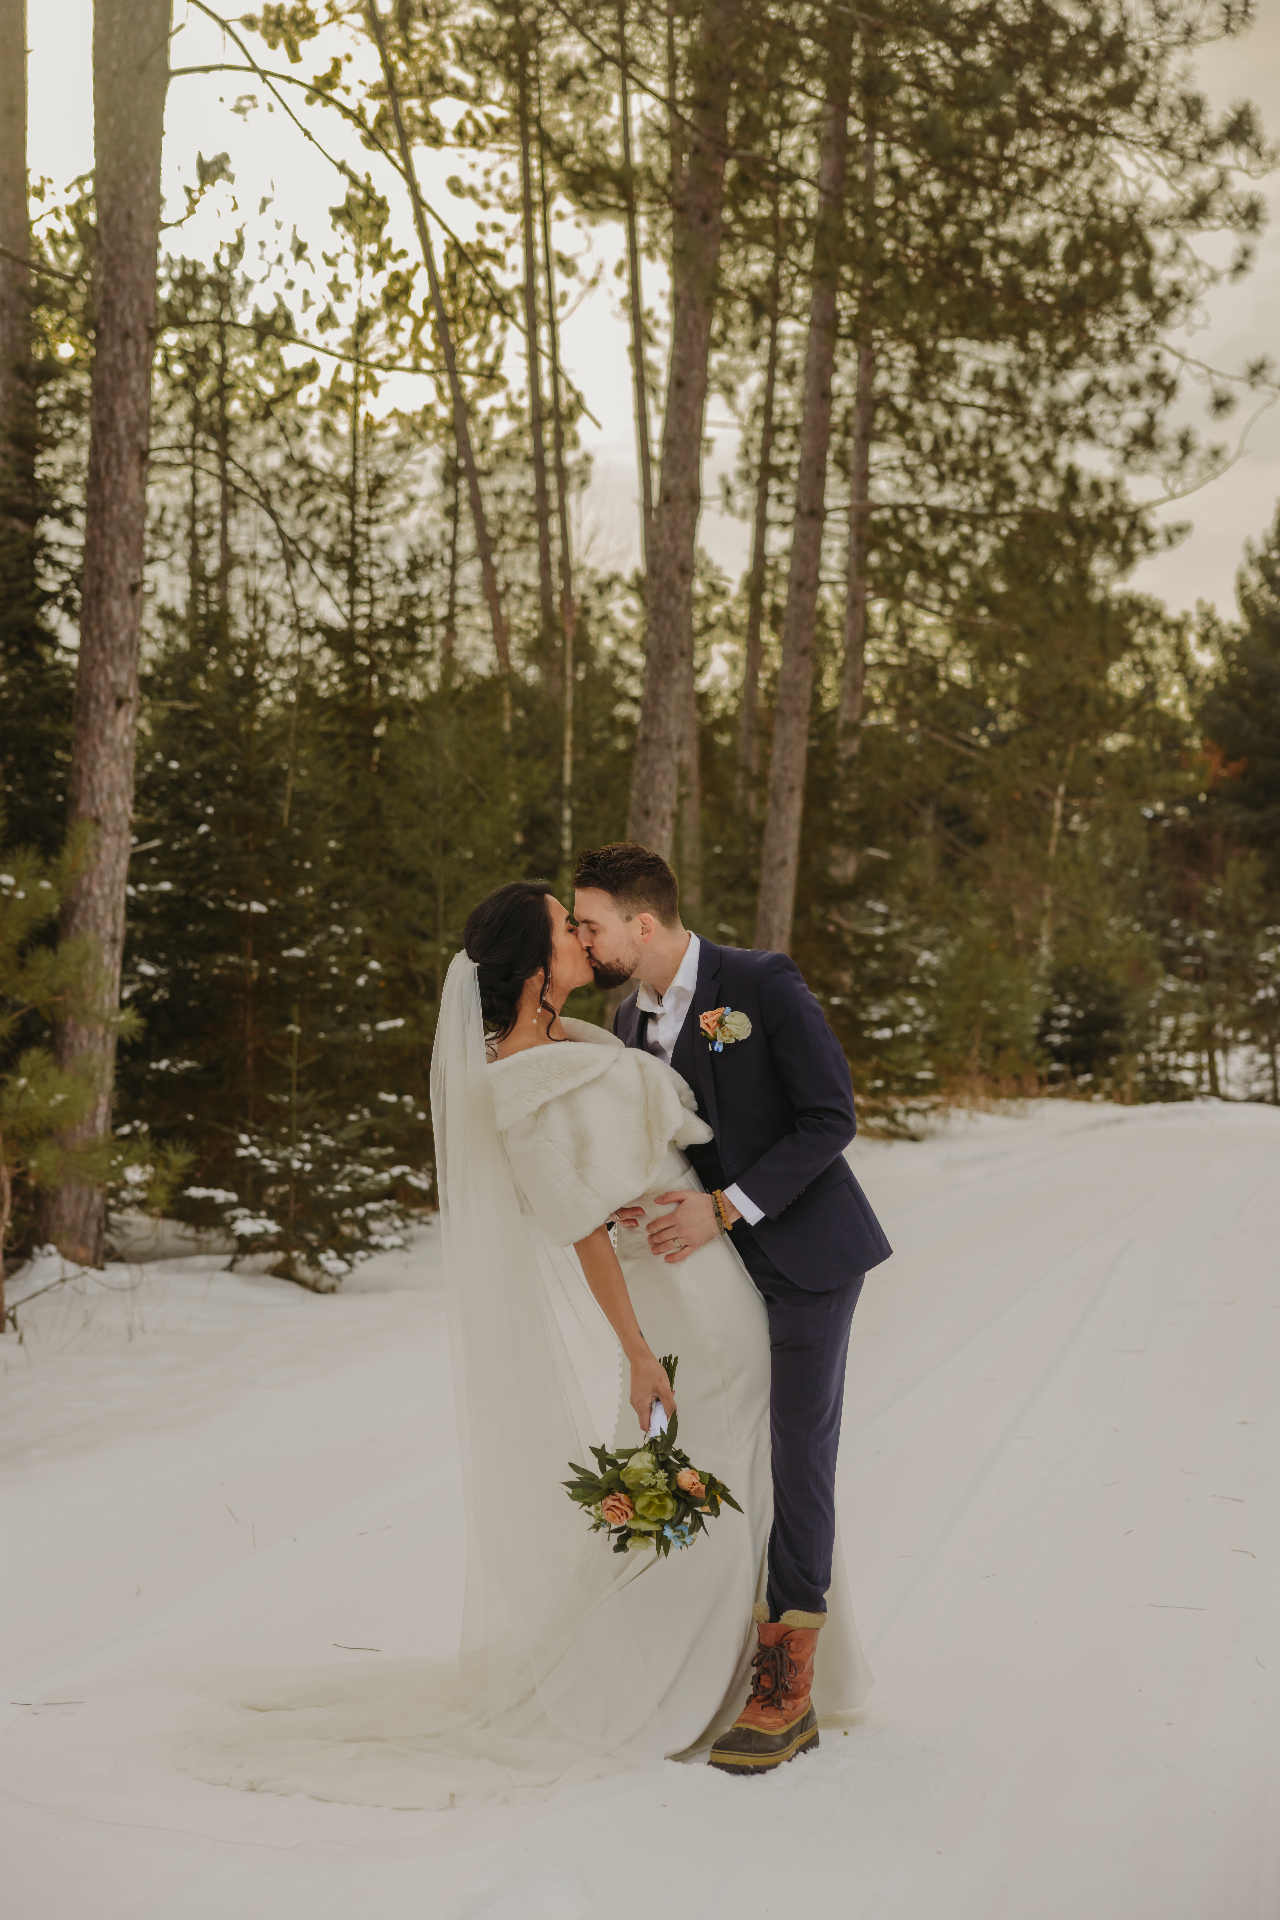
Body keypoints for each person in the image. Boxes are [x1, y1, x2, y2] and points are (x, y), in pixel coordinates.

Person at [573, 842, 891, 1773]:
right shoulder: (628, 1023)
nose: (585, 943)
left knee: (797, 1449)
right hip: (710, 1278)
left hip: (804, 1257)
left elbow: (830, 1117)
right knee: (724, 1443)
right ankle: (703, 1652)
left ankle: (786, 1684)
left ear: (643, 921)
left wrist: (724, 1208)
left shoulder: (760, 982)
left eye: (591, 924)